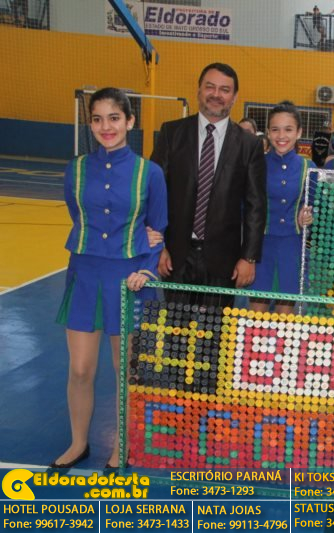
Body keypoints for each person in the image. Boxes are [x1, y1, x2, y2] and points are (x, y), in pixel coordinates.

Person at [51, 87, 167, 470]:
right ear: (90, 123)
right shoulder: (76, 169)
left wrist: (146, 268)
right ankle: (78, 443)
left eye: (114, 118)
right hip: (84, 274)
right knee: (80, 368)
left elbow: (158, 228)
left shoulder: (150, 173)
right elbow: (78, 216)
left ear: (130, 122)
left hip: (128, 278)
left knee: (124, 372)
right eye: (98, 119)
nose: (106, 127)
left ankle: (123, 445)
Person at [150, 63, 267, 307]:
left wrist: (249, 257)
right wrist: (157, 246)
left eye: (225, 89)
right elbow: (154, 194)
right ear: (199, 90)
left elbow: (256, 205)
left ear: (234, 97)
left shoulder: (249, 145)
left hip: (224, 260)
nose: (216, 94)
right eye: (210, 87)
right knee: (176, 328)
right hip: (174, 256)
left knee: (214, 330)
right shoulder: (171, 133)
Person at [251, 101, 315, 315]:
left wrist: (308, 215)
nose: (281, 136)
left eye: (288, 129)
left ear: (299, 132)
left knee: (285, 314)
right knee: (256, 313)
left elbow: (315, 204)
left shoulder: (309, 168)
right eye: (275, 129)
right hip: (259, 246)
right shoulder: (255, 163)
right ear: (268, 132)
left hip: (292, 246)